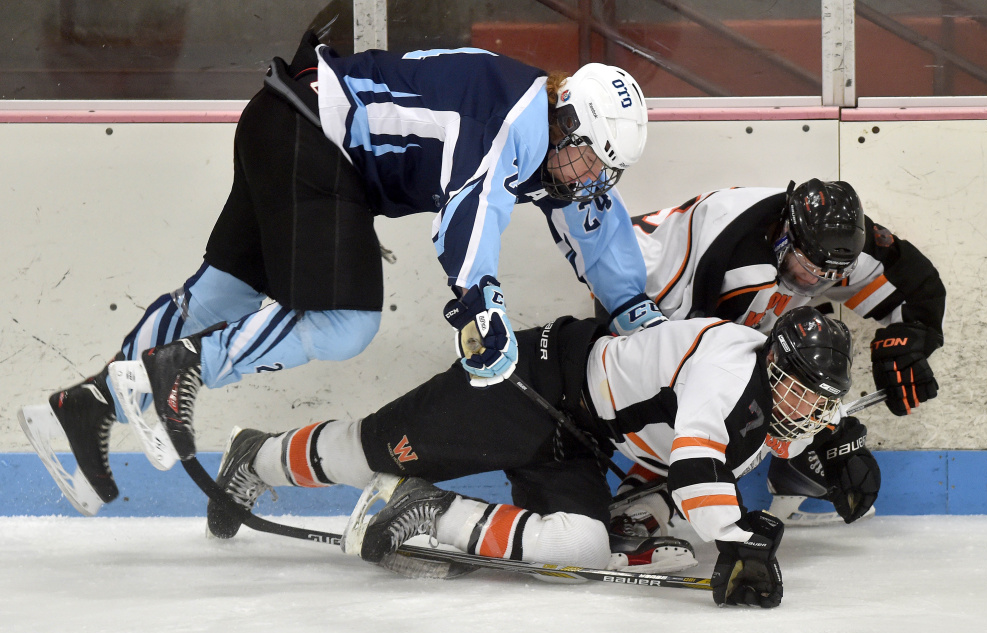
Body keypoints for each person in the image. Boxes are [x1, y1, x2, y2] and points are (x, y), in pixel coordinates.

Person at [19, 30, 663, 515]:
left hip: (280, 117)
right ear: (566, 119)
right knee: (345, 324)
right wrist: (479, 302)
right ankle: (178, 369)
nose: (587, 182)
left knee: (221, 293)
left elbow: (599, 225)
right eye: (585, 161)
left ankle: (85, 404)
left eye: (600, 171)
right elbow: (474, 210)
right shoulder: (518, 122)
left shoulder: (550, 134)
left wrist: (634, 310)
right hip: (316, 140)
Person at [205, 305, 861, 608]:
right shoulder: (728, 362)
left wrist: (843, 443)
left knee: (578, 550)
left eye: (817, 400)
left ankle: (427, 509)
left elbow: (699, 470)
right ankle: (254, 458)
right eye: (798, 391)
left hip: (578, 442)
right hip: (535, 384)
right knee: (373, 448)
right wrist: (738, 538)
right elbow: (695, 461)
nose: (805, 409)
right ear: (772, 362)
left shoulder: (778, 406)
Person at [601, 179, 941, 528]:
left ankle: (794, 473)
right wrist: (826, 435)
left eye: (829, 278)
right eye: (804, 271)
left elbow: (919, 288)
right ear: (784, 235)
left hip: (708, 310)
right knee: (708, 399)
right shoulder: (726, 255)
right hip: (641, 299)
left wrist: (905, 346)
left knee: (810, 360)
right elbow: (687, 376)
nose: (811, 286)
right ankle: (644, 499)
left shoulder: (834, 240)